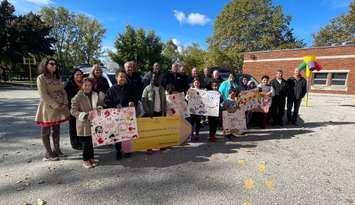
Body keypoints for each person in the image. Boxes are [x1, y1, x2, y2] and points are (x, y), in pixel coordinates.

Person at [35, 58, 70, 161]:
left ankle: (57, 150)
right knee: (46, 131)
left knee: (56, 130)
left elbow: (63, 90)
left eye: (55, 64)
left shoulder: (56, 78)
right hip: (48, 108)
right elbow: (43, 95)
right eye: (51, 63)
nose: (54, 65)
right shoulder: (41, 78)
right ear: (45, 65)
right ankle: (49, 153)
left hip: (59, 108)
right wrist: (55, 105)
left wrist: (65, 102)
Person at [71, 78, 104, 168]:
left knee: (91, 142)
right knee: (85, 143)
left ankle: (91, 158)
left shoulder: (95, 94)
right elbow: (73, 111)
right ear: (82, 86)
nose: (88, 87)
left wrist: (99, 107)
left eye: (89, 85)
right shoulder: (77, 97)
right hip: (83, 124)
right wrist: (84, 115)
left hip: (93, 123)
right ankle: (86, 160)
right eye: (85, 85)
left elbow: (99, 104)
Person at [104, 69, 135, 160]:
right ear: (116, 77)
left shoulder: (129, 88)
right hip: (116, 115)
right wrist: (114, 105)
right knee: (117, 134)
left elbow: (134, 97)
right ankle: (118, 151)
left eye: (124, 77)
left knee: (127, 133)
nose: (122, 78)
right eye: (121, 76)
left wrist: (132, 102)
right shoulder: (111, 89)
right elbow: (106, 101)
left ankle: (127, 151)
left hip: (127, 114)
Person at [64, 68, 83, 150]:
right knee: (73, 126)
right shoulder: (69, 84)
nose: (79, 76)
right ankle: (74, 143)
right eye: (77, 74)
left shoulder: (83, 83)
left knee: (80, 125)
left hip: (82, 108)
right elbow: (66, 96)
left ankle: (80, 141)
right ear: (73, 76)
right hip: (72, 107)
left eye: (80, 74)